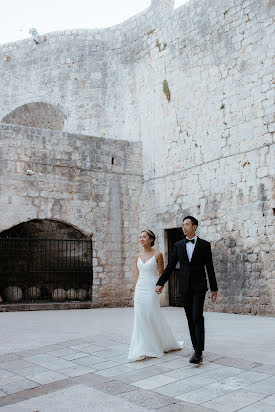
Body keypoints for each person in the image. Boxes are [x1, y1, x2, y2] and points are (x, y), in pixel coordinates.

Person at [155, 216, 218, 364]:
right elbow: (170, 266)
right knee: (190, 318)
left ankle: (198, 351)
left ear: (194, 227)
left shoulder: (204, 245)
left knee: (197, 316)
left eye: (187, 225)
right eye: (183, 225)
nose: (184, 227)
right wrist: (161, 282)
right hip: (184, 287)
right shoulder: (178, 245)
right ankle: (196, 348)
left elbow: (210, 268)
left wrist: (214, 288)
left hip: (199, 286)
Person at [128, 229, 184, 361]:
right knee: (140, 317)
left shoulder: (158, 254)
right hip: (140, 289)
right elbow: (136, 275)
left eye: (144, 237)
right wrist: (134, 293)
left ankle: (158, 344)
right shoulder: (137, 256)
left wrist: (161, 287)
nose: (141, 239)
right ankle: (142, 348)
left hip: (152, 289)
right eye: (140, 237)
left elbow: (162, 273)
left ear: (151, 239)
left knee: (150, 315)